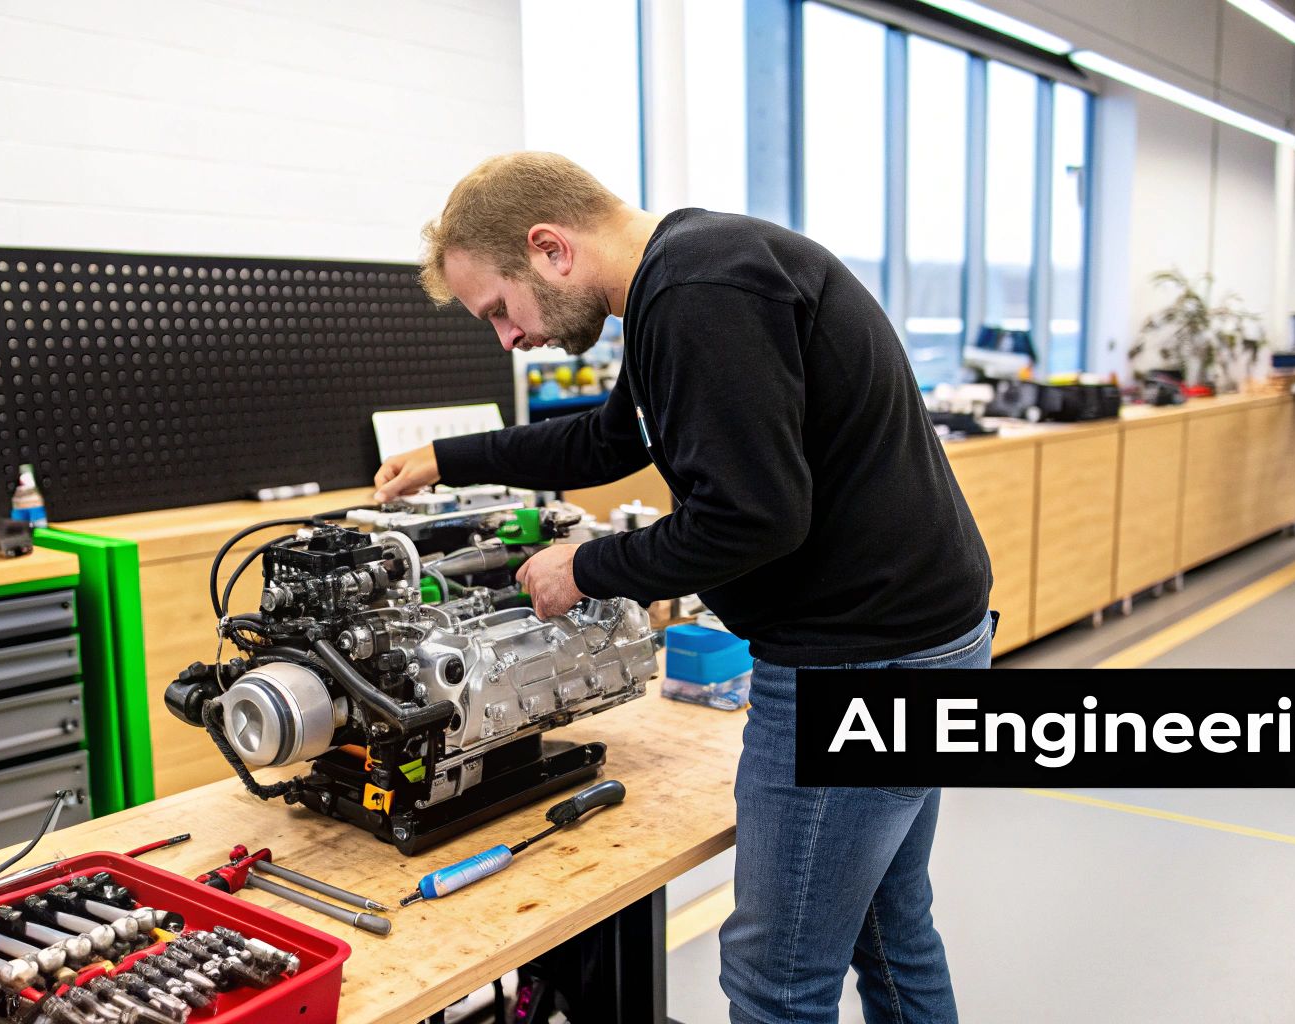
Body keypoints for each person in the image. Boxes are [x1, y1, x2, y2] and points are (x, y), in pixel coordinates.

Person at [373, 152, 993, 1024]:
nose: (508, 338)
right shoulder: (691, 271)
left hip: (858, 667)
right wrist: (451, 457)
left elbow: (754, 519)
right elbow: (608, 443)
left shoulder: (702, 294)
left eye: (500, 312)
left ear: (550, 249)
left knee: (776, 981)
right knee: (892, 934)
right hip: (923, 641)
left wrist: (584, 567)